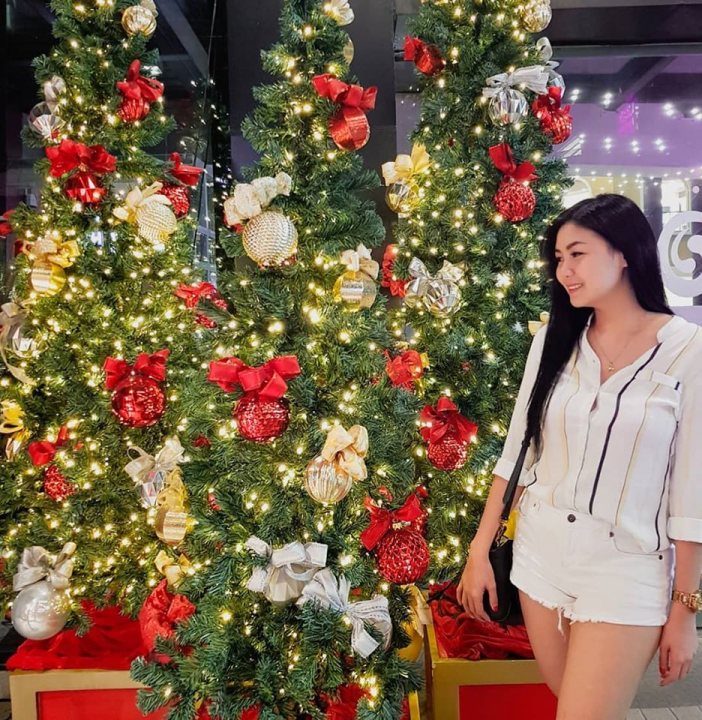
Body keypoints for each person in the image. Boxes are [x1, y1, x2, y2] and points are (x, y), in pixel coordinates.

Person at [457, 194, 702, 720]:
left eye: (577, 254)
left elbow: (691, 492)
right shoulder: (554, 340)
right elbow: (518, 454)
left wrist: (685, 609)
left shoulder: (688, 350)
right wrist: (480, 550)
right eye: (558, 259)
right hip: (540, 562)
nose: (564, 270)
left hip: (626, 571)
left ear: (624, 254)